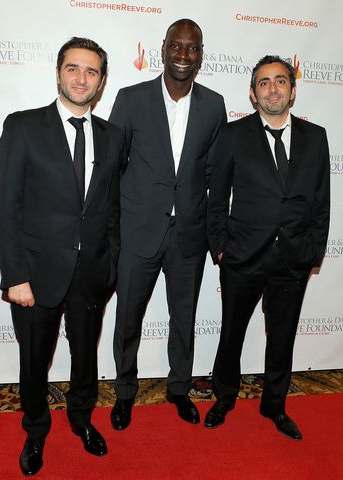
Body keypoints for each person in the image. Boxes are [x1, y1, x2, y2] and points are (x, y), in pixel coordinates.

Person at [0, 37, 122, 476]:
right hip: (35, 273)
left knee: (85, 356)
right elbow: (6, 207)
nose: (81, 78)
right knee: (35, 360)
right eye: (73, 68)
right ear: (58, 73)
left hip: (92, 274)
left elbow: (113, 208)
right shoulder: (23, 126)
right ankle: (35, 430)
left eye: (91, 71)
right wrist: (15, 276)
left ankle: (82, 420)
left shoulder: (113, 136)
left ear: (101, 81)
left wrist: (111, 265)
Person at [108, 18, 227, 430]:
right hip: (138, 231)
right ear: (162, 48)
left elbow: (213, 175)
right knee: (128, 319)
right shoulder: (130, 98)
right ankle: (125, 393)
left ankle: (179, 389)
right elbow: (111, 167)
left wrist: (215, 235)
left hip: (188, 234)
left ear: (201, 54)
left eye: (191, 48)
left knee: (185, 317)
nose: (182, 55)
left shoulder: (214, 105)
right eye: (176, 46)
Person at [204, 55, 330, 440]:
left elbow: (321, 201)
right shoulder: (232, 134)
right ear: (253, 93)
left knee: (283, 336)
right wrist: (221, 248)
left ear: (292, 91)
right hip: (242, 256)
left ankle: (274, 405)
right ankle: (224, 397)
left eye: (280, 81)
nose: (272, 88)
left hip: (293, 259)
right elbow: (215, 198)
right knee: (232, 334)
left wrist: (312, 252)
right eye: (263, 82)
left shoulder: (316, 136)